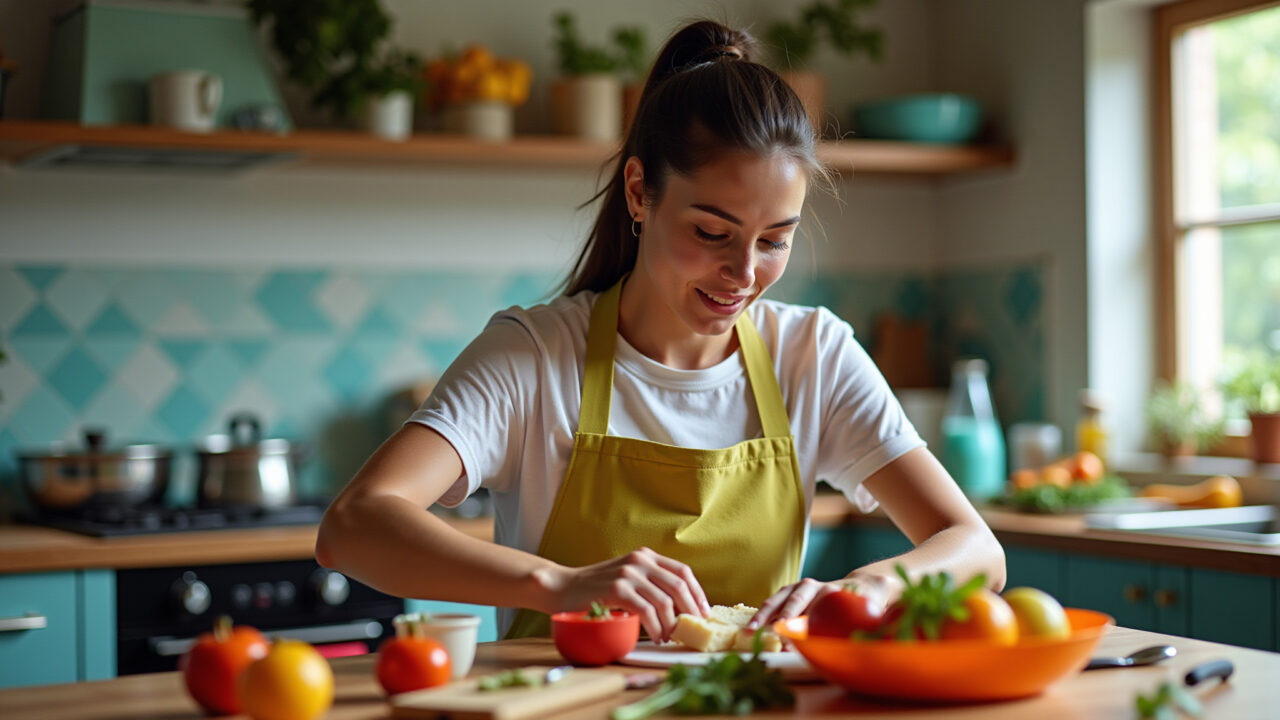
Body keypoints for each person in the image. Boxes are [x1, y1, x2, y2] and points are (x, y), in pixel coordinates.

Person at [316, 19, 1005, 643]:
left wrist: (870, 587)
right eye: (712, 232)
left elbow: (974, 546)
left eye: (774, 240)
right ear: (640, 191)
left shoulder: (813, 355)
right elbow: (353, 528)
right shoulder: (534, 356)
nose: (743, 272)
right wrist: (559, 585)